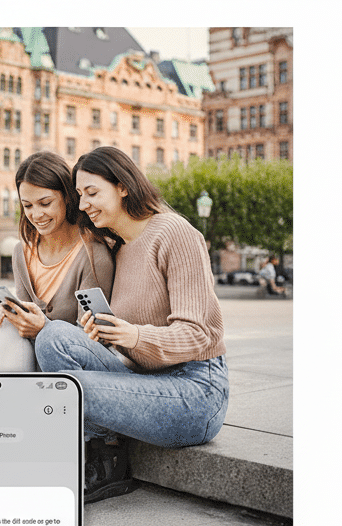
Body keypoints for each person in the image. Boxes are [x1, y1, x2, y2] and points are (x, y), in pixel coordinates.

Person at [35, 146, 228, 503]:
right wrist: (106, 335)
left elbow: (200, 335)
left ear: (123, 186)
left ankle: (107, 463)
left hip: (196, 390)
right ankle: (103, 445)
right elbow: (132, 343)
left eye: (92, 193)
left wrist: (133, 334)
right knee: (53, 337)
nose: (84, 204)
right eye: (79, 196)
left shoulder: (175, 232)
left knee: (67, 389)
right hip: (145, 380)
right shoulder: (120, 248)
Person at [0, 151, 115, 372]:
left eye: (45, 203)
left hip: (72, 364)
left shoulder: (93, 254)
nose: (36, 215)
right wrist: (17, 316)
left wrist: (42, 327)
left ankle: (17, 400)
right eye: (28, 206)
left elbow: (92, 339)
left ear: (67, 196)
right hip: (31, 359)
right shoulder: (22, 252)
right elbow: (24, 325)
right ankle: (18, 397)